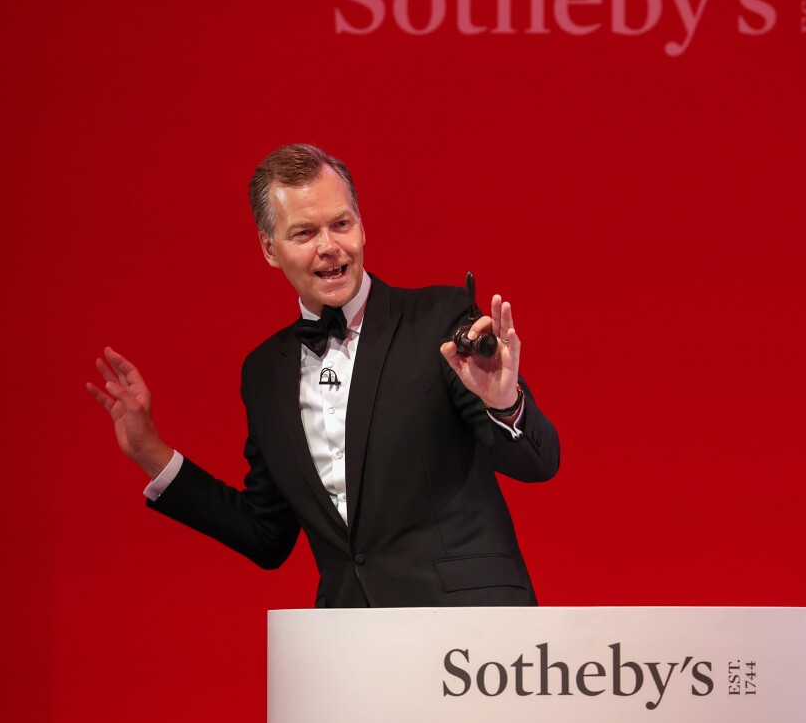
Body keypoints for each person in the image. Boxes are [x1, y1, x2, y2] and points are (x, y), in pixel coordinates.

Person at [86, 143, 559, 607]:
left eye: (341, 224)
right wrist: (153, 455)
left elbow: (539, 464)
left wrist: (505, 404)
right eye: (304, 234)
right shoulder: (264, 373)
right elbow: (266, 535)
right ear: (270, 250)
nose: (330, 247)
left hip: (466, 633)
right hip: (346, 643)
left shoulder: (439, 321)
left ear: (361, 225)